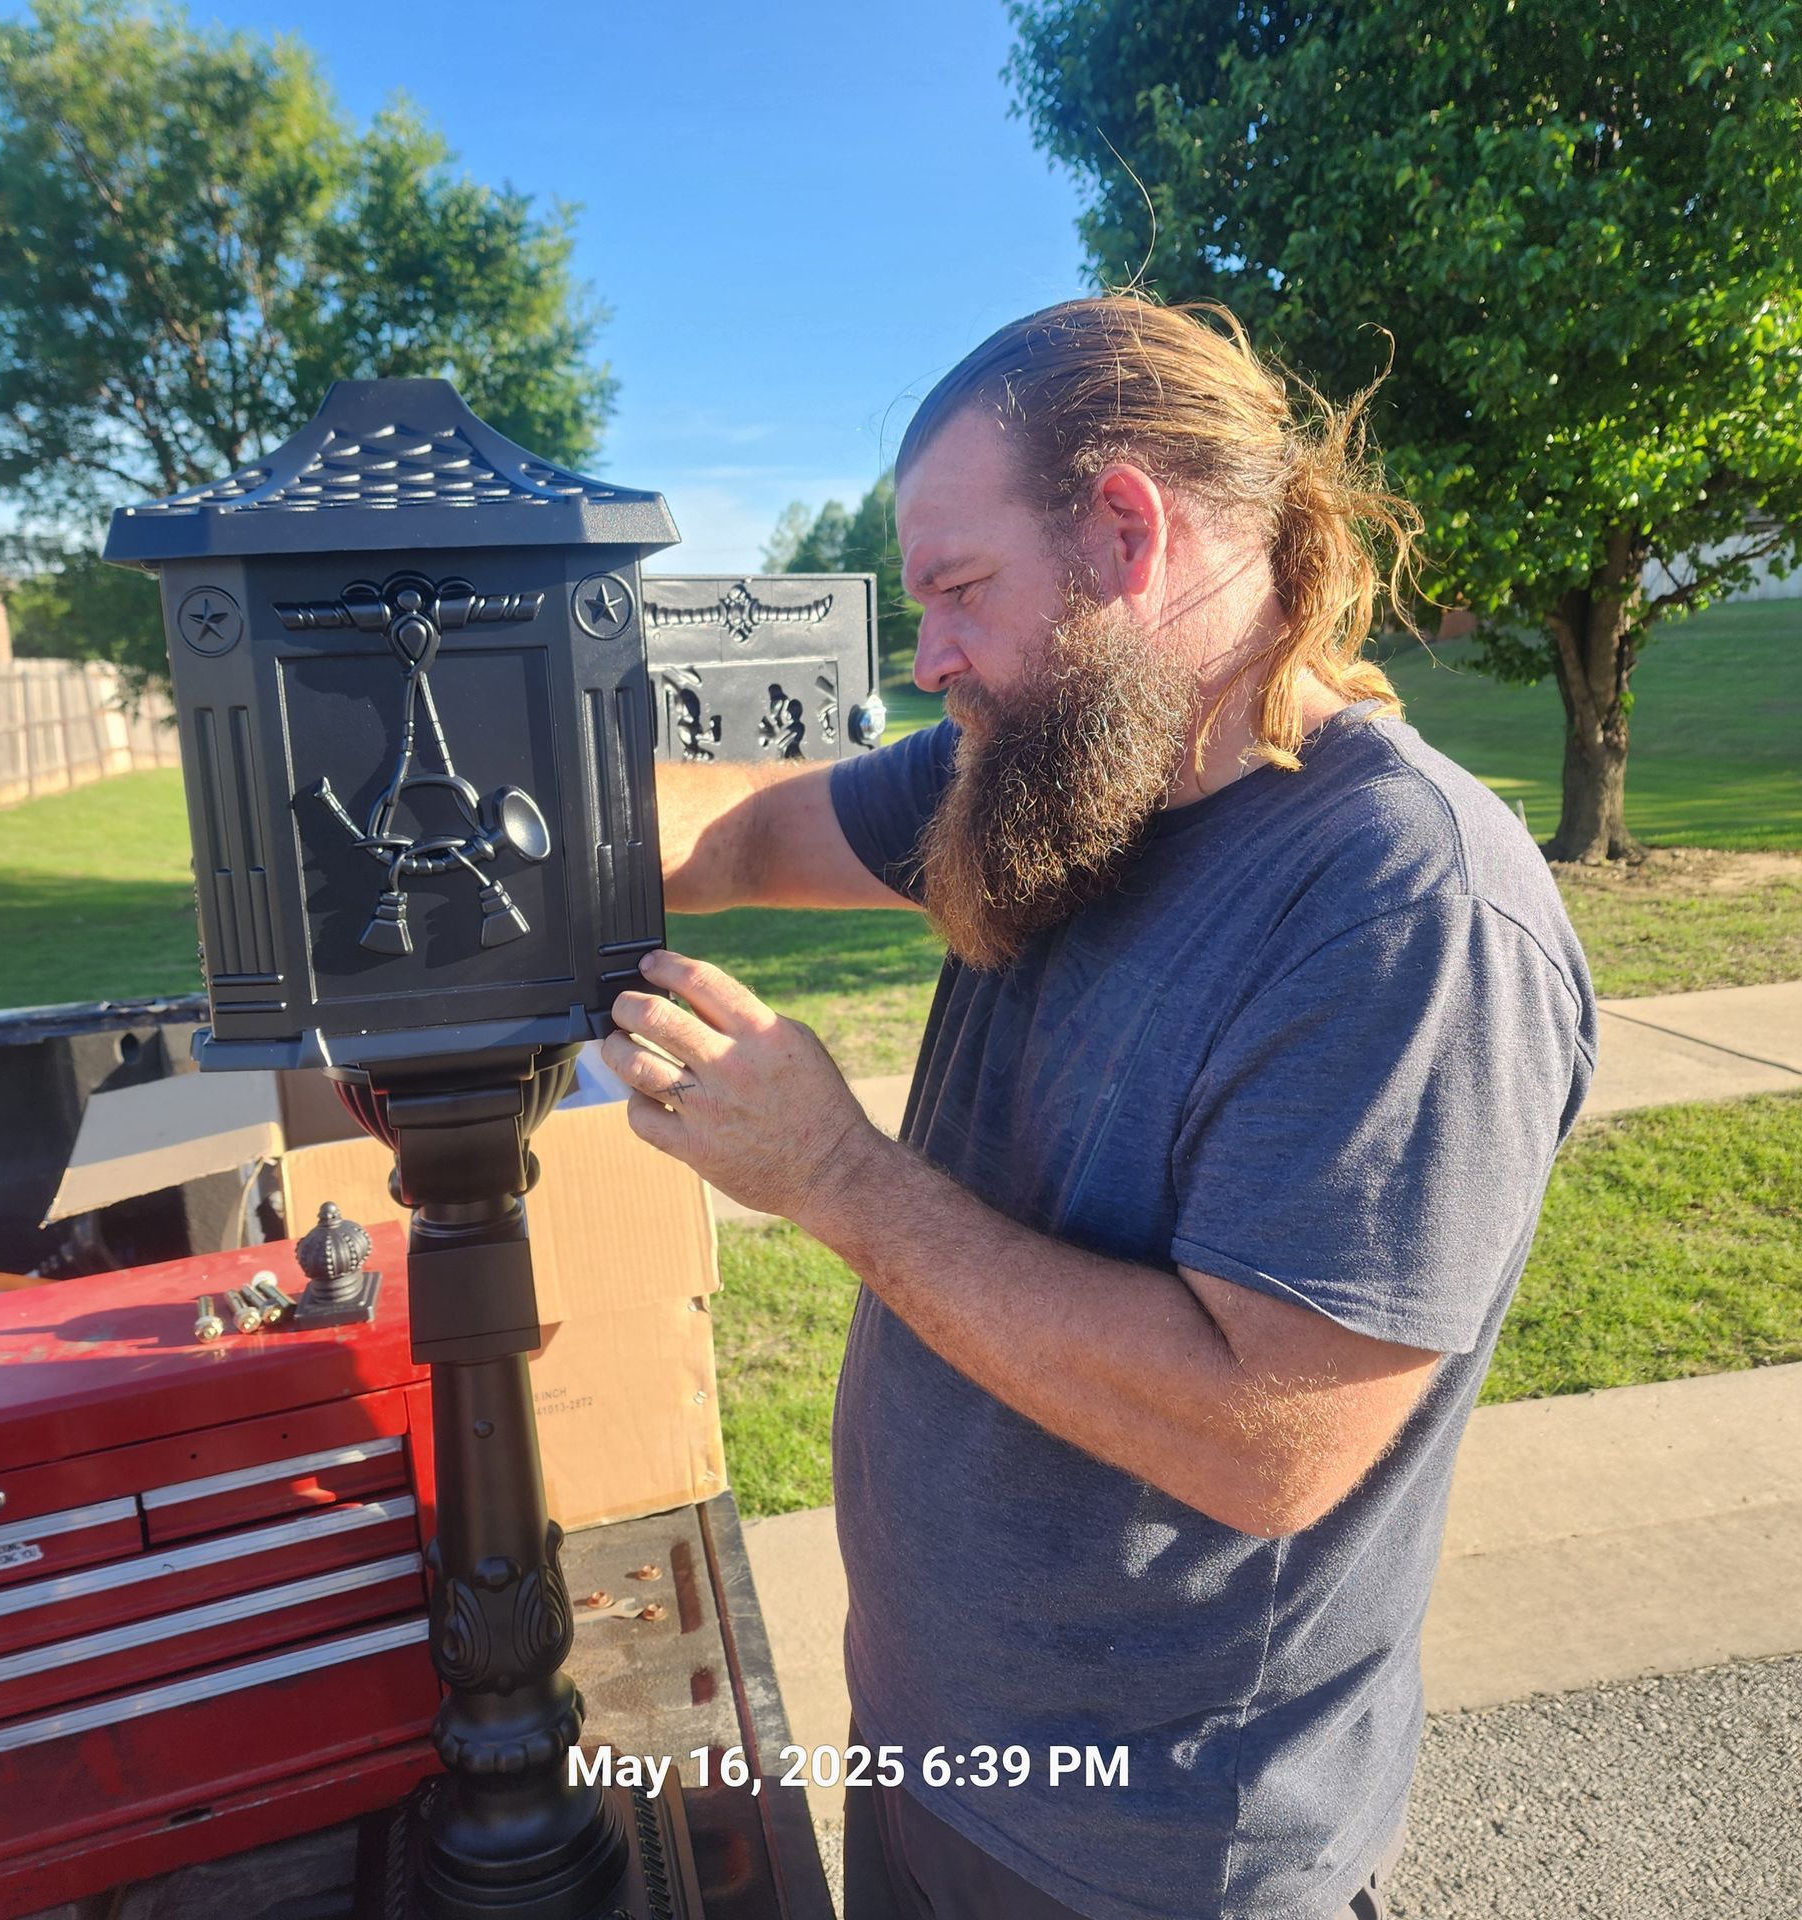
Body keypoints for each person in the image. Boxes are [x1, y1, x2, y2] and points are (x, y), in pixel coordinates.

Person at [599, 296, 1597, 1920]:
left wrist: (840, 1180)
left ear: (1127, 531)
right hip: (937, 1755)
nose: (924, 661)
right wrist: (485, 806)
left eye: (957, 591)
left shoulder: (1405, 908)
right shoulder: (1045, 774)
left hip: (1151, 1860)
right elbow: (731, 844)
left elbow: (1265, 1438)